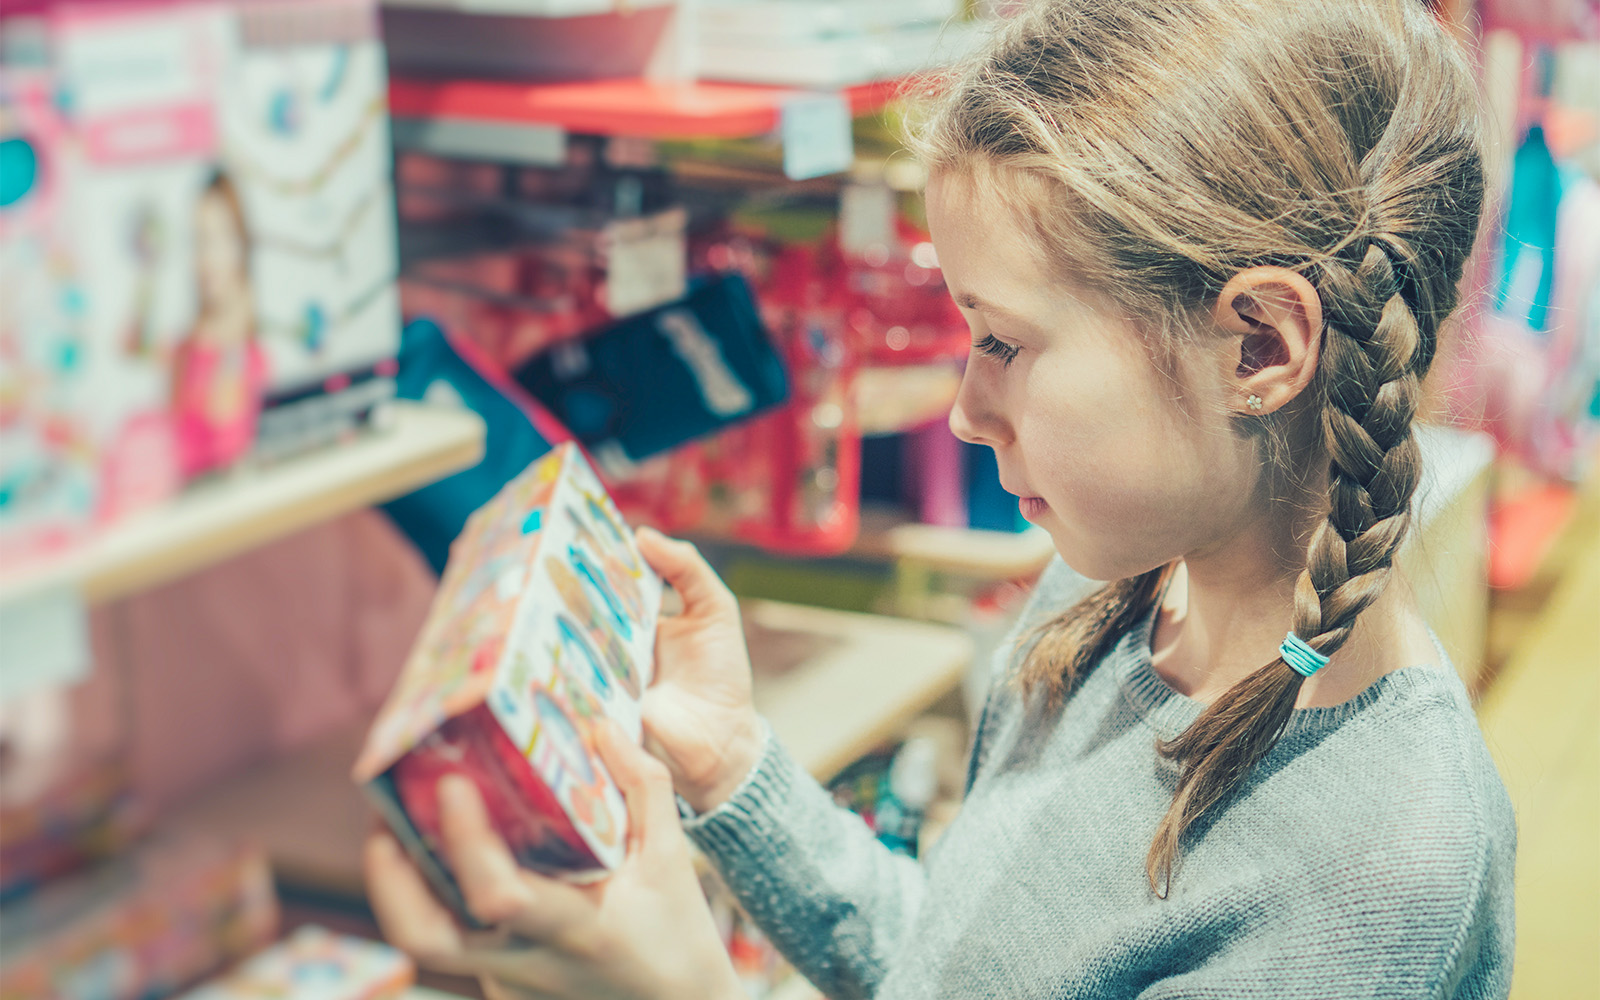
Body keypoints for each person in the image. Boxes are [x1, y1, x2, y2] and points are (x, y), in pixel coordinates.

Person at [362, 0, 1516, 996]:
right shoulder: (1110, 594)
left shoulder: (1372, 865)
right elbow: (959, 962)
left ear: (1258, 344)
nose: (963, 409)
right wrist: (734, 766)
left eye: (1004, 343)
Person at [171, 170, 268, 479]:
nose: (206, 257)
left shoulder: (251, 356)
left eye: (219, 239)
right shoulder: (180, 352)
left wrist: (232, 346)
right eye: (199, 240)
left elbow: (228, 450)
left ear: (241, 246)